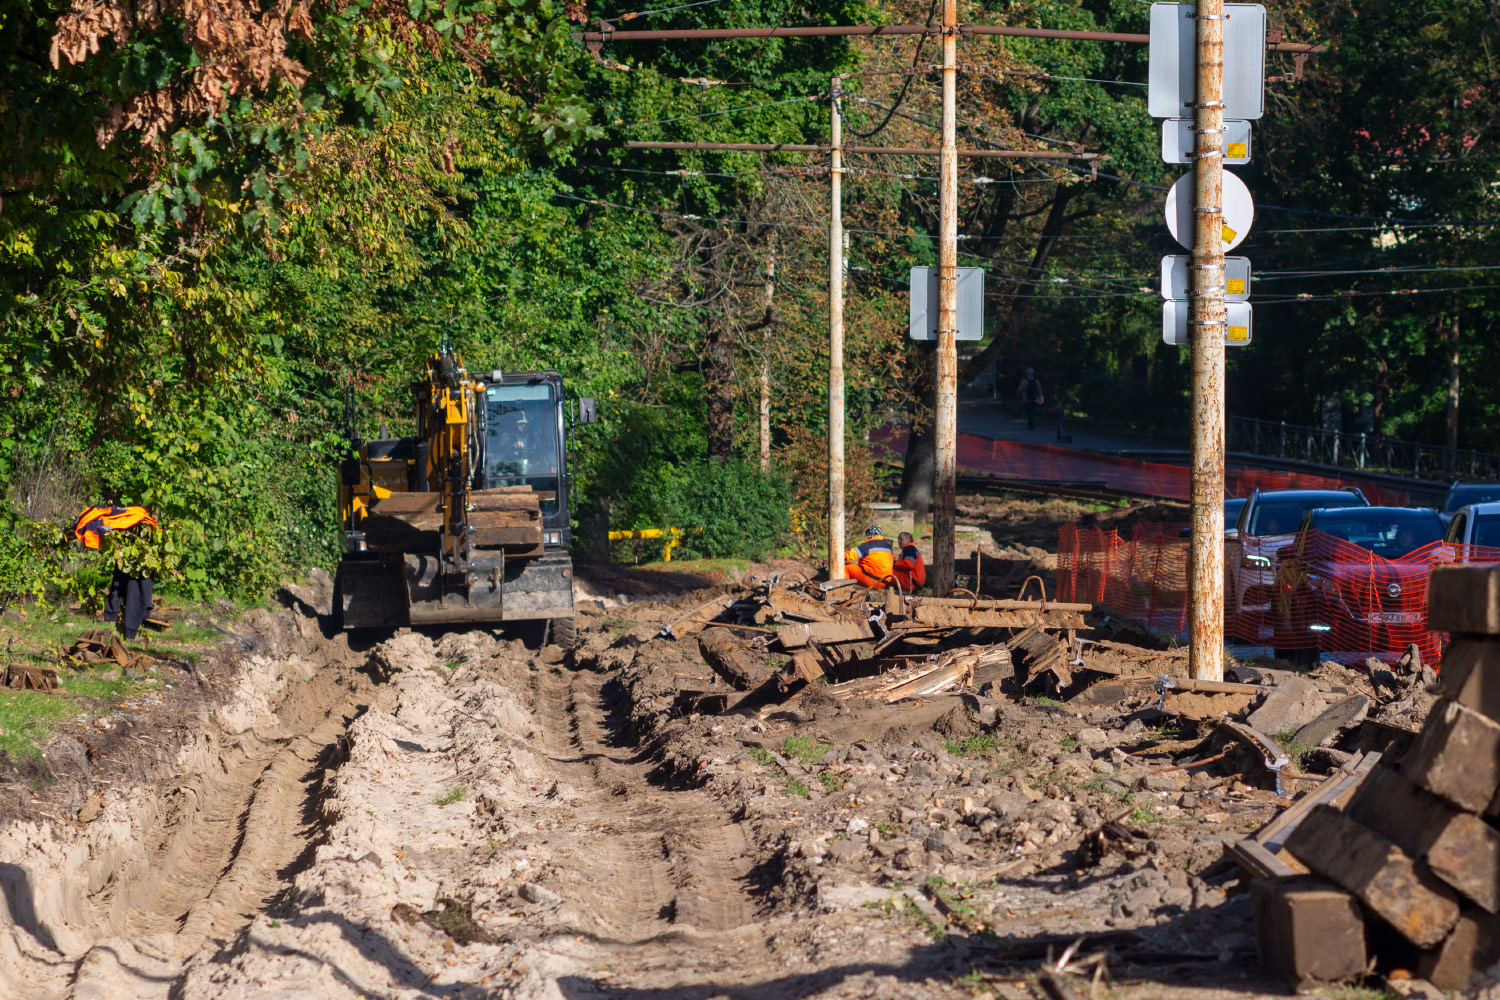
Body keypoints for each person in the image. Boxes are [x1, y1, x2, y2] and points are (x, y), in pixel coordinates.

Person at [74, 504, 158, 640]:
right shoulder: (114, 517)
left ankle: (125, 621)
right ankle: (125, 621)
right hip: (134, 541)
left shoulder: (135, 518)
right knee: (131, 581)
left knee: (134, 582)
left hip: (137, 544)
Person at [843, 524, 895, 589]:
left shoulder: (868, 545)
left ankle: (842, 589)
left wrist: (840, 555)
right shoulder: (888, 547)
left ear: (870, 535)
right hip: (885, 582)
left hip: (872, 581)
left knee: (846, 568)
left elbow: (851, 555)